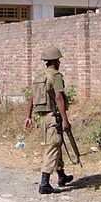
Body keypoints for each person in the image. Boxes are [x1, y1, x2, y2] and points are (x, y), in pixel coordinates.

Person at [24, 46, 74, 194]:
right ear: (55, 61)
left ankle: (61, 175)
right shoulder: (56, 76)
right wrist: (65, 120)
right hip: (53, 117)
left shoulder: (39, 77)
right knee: (54, 145)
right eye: (58, 60)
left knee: (56, 144)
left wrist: (28, 116)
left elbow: (32, 97)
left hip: (42, 118)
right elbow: (59, 97)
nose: (59, 62)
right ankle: (44, 183)